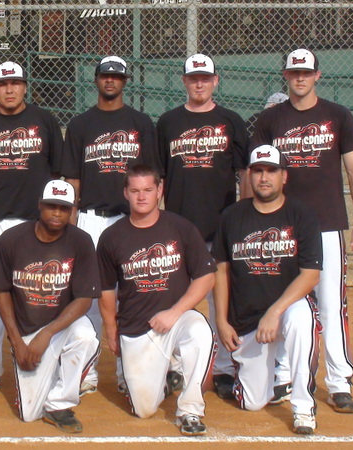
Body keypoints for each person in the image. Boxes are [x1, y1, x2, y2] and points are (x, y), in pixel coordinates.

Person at [250, 48, 353, 413]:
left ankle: (338, 382)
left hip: (327, 223)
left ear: (318, 75)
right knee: (286, 302)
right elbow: (256, 172)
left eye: (306, 72)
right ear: (285, 76)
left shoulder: (337, 115)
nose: (300, 77)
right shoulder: (270, 119)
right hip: (282, 226)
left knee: (331, 305)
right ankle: (285, 375)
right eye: (294, 72)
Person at [0, 61, 64, 401]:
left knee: (40, 294)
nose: (10, 89)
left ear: (25, 86)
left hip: (36, 223)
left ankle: (43, 362)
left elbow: (57, 175)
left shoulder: (44, 120)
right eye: (3, 84)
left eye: (16, 83)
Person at [60, 55, 159, 396]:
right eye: (105, 75)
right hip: (90, 218)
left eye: (117, 76)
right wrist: (72, 222)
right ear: (96, 79)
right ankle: (86, 372)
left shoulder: (141, 122)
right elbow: (72, 179)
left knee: (130, 296)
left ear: (125, 81)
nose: (110, 81)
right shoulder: (80, 124)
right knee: (87, 295)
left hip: (131, 219)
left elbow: (152, 177)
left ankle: (126, 371)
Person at [155, 53, 249, 399]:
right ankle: (176, 367)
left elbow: (245, 173)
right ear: (184, 81)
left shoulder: (231, 121)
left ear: (215, 81)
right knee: (177, 298)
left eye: (205, 78)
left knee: (221, 301)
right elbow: (159, 177)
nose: (199, 84)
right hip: (180, 227)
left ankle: (223, 368)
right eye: (193, 78)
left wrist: (244, 218)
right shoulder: (168, 122)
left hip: (221, 226)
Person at [97, 164, 215, 436]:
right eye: (135, 191)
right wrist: (111, 330)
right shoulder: (111, 236)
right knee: (144, 409)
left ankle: (190, 410)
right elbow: (105, 289)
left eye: (148, 190)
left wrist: (175, 312)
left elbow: (206, 276)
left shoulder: (181, 227)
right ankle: (166, 378)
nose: (142, 196)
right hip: (137, 327)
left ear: (159, 190)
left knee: (200, 331)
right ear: (125, 193)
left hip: (176, 318)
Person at [212, 145, 322, 434]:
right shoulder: (231, 216)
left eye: (271, 171)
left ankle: (303, 406)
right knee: (252, 403)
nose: (264, 177)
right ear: (248, 176)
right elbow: (221, 270)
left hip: (286, 309)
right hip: (248, 319)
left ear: (284, 176)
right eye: (258, 171)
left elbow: (311, 275)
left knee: (302, 318)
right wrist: (221, 321)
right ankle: (277, 377)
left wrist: (275, 312)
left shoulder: (301, 215)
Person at [0, 180, 100, 433]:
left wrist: (48, 333)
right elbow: (2, 290)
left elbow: (85, 298)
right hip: (27, 330)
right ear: (40, 205)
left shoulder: (81, 241)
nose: (57, 213)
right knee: (29, 415)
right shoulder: (10, 240)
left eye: (64, 208)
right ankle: (51, 372)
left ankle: (60, 403)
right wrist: (17, 341)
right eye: (52, 206)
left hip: (62, 326)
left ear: (72, 210)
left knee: (86, 336)